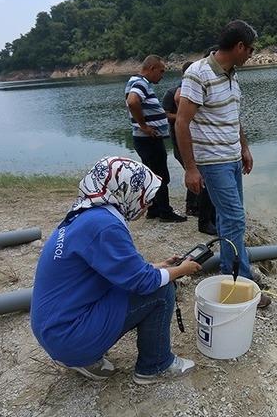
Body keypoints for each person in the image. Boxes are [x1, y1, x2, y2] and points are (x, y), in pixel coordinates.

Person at [30, 156, 202, 384]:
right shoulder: (105, 226)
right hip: (68, 336)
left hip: (54, 330)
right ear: (126, 190)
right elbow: (144, 283)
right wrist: (182, 270)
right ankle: (156, 366)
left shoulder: (87, 214)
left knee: (155, 279)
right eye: (145, 196)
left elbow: (117, 271)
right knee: (161, 291)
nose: (148, 204)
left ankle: (83, 356)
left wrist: (158, 266)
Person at [175, 20, 271, 308]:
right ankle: (241, 283)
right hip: (213, 163)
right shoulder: (198, 73)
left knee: (229, 219)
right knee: (235, 219)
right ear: (239, 46)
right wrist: (190, 169)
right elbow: (182, 123)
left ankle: (232, 268)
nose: (252, 55)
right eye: (251, 49)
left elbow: (233, 114)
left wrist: (244, 147)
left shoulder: (231, 74)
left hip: (231, 158)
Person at [125, 55, 187, 222]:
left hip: (145, 139)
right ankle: (165, 212)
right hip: (148, 139)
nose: (162, 75)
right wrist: (144, 126)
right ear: (151, 69)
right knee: (160, 175)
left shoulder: (138, 82)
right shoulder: (140, 83)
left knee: (151, 174)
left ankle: (153, 208)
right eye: (161, 71)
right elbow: (132, 101)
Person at [162, 61, 217, 235]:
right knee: (196, 174)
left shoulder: (199, 90)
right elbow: (166, 115)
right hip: (180, 141)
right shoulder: (174, 93)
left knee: (197, 175)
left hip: (199, 141)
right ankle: (200, 214)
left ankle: (194, 208)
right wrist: (183, 114)